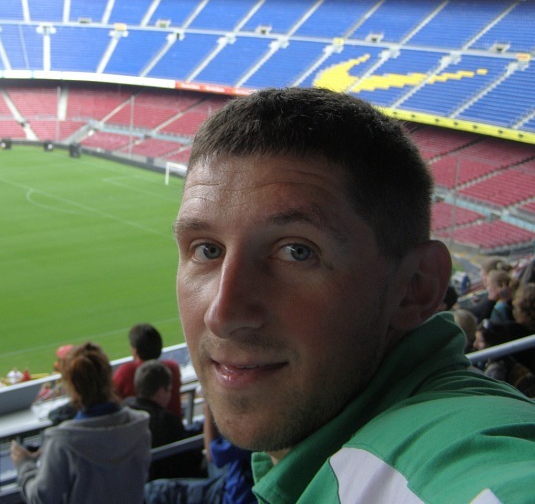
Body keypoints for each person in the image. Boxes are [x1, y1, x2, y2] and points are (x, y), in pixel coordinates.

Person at [172, 87, 535, 503]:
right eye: (207, 250)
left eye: (297, 251)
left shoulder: (451, 452)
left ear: (415, 287)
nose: (222, 314)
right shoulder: (315, 455)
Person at [10, 341, 150, 504]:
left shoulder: (62, 441)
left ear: (71, 387)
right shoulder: (140, 426)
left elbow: (41, 498)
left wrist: (24, 464)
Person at [144, 405, 256, 504]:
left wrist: (208, 409)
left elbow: (213, 454)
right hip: (226, 484)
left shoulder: (254, 426)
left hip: (233, 496)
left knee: (154, 492)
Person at [125, 360, 203, 480]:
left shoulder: (125, 409)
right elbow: (189, 460)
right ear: (161, 391)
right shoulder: (166, 420)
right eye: (169, 390)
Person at [113, 323, 184, 418]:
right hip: (174, 425)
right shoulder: (172, 368)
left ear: (135, 351)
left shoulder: (125, 372)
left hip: (141, 427)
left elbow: (112, 400)